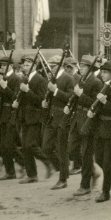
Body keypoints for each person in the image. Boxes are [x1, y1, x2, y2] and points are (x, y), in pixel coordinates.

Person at [89, 61, 111, 203]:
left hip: (110, 127)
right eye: (101, 72)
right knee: (98, 159)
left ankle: (106, 192)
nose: (102, 74)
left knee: (108, 161)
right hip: (100, 126)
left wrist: (105, 103)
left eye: (105, 72)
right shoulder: (102, 86)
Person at [15, 54, 53, 184]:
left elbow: (41, 100)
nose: (25, 67)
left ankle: (49, 163)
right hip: (24, 116)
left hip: (35, 116)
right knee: (25, 147)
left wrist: (27, 91)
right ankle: (32, 175)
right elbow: (22, 97)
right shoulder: (25, 79)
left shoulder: (40, 80)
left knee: (30, 144)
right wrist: (17, 101)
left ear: (34, 66)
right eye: (24, 65)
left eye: (28, 65)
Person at [68, 55, 103, 197]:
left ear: (90, 68)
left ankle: (85, 185)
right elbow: (75, 98)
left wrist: (80, 95)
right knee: (72, 149)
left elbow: (95, 104)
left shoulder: (96, 82)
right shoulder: (81, 80)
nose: (80, 68)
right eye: (80, 66)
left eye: (83, 66)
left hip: (88, 121)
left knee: (86, 154)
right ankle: (93, 172)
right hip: (77, 119)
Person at [42, 54, 75, 190]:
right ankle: (61, 168)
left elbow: (71, 97)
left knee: (62, 150)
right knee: (46, 147)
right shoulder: (51, 78)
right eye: (50, 66)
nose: (51, 69)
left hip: (62, 116)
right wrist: (46, 102)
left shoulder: (68, 78)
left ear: (60, 65)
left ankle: (63, 178)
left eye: (53, 66)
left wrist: (55, 91)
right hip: (51, 116)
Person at [0, 56, 24, 180]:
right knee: (4, 145)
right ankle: (12, 170)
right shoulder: (4, 78)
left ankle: (14, 170)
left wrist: (5, 87)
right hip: (2, 115)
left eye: (4, 65)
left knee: (7, 145)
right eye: (0, 65)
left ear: (11, 65)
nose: (2, 67)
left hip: (11, 114)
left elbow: (16, 97)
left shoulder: (16, 79)